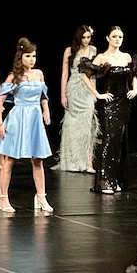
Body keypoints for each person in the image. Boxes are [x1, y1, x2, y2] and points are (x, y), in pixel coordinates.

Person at [0, 37, 53, 213]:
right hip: (18, 118)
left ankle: (41, 196)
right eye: (28, 56)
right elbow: (0, 100)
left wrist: (46, 110)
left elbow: (43, 95)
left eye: (34, 56)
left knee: (38, 159)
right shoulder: (14, 76)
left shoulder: (38, 74)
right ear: (21, 57)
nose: (32, 59)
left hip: (34, 118)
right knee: (9, 159)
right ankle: (3, 198)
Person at [79, 26, 137, 195]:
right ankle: (105, 181)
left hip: (124, 103)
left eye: (120, 36)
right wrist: (98, 94)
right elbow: (85, 75)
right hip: (109, 104)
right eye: (114, 36)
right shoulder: (102, 57)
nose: (117, 39)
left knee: (120, 141)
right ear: (107, 38)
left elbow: (133, 74)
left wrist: (135, 89)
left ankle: (116, 180)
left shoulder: (127, 56)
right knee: (109, 140)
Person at [51, 25, 98, 173]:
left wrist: (94, 92)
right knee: (71, 125)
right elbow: (64, 74)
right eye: (83, 37)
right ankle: (70, 161)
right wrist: (63, 95)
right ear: (79, 37)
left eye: (88, 37)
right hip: (73, 89)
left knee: (87, 126)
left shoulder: (93, 50)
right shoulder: (69, 50)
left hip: (87, 90)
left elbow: (94, 74)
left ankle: (88, 163)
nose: (86, 40)